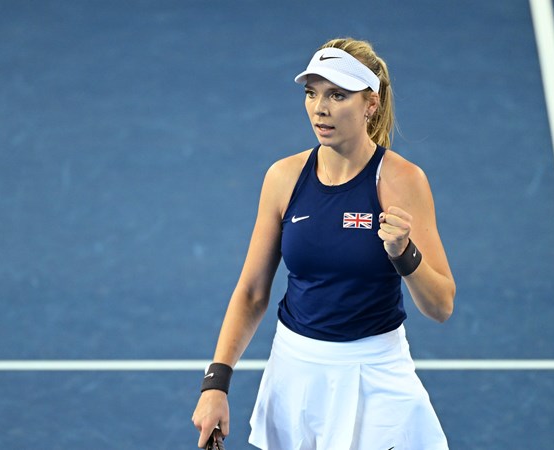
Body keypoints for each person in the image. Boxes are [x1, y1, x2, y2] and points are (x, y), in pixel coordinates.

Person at [192, 37, 455, 450]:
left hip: (375, 373)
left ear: (371, 103)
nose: (320, 107)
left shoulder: (403, 181)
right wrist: (216, 384)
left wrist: (405, 255)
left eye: (337, 94)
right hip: (295, 371)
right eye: (312, 93)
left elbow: (440, 306)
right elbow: (252, 292)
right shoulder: (283, 177)